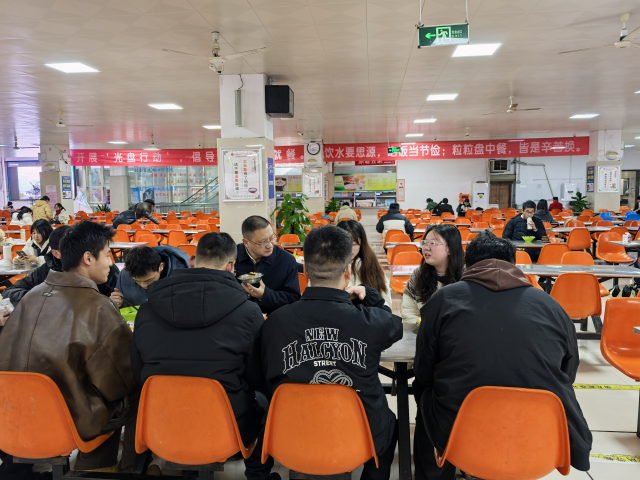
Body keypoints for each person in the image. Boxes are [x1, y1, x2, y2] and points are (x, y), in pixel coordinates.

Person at [413, 231, 592, 479]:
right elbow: (568, 371)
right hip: (541, 430)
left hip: (460, 429)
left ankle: (438, 469)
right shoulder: (550, 305)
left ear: (468, 264)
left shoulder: (442, 300)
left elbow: (423, 369)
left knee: (426, 396)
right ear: (513, 264)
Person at [130, 232, 276, 480]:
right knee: (264, 401)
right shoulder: (248, 311)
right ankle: (256, 473)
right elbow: (255, 377)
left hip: (161, 422)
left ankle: (189, 466)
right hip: (225, 426)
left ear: (194, 261)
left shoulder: (147, 309)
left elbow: (138, 372)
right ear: (231, 266)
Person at [261, 225, 403, 480]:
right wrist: (370, 297)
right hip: (360, 434)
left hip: (293, 431)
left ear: (305, 271)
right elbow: (395, 326)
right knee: (388, 424)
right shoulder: (371, 321)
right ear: (348, 272)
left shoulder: (275, 322)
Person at [0, 220, 139, 472]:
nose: (110, 263)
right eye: (107, 255)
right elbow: (119, 381)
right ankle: (101, 469)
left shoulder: (30, 297)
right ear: (88, 258)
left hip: (12, 416)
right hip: (68, 423)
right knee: (135, 393)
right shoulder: (99, 307)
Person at [3, 225, 119, 307]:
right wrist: (44, 299)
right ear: (56, 253)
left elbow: (120, 299)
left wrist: (115, 302)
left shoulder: (104, 270)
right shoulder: (47, 270)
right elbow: (9, 293)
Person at [235, 216, 301, 315]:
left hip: (275, 317)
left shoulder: (286, 260)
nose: (270, 245)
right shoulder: (231, 257)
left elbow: (293, 298)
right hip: (239, 317)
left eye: (272, 238)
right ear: (246, 242)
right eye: (263, 242)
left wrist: (264, 295)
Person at [401, 224, 464, 325]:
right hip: (424, 332)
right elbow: (409, 312)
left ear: (450, 249)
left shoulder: (467, 276)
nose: (426, 248)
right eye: (425, 243)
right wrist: (424, 326)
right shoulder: (418, 275)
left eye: (433, 243)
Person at [110, 245, 190, 308]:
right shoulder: (126, 274)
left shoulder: (180, 276)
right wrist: (118, 303)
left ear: (161, 266)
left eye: (148, 280)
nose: (143, 285)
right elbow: (124, 304)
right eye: (137, 281)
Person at [337, 219, 392, 306]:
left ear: (361, 244)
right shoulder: (327, 267)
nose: (349, 249)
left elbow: (387, 303)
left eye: (354, 244)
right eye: (344, 244)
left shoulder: (371, 265)